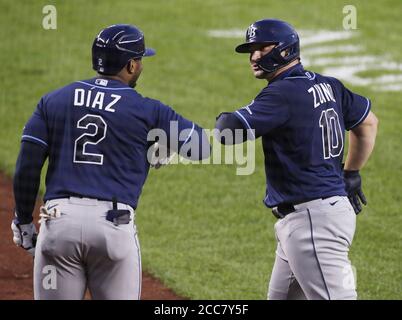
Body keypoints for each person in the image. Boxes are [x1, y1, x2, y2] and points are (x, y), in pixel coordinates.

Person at [11, 24, 210, 300]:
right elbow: (202, 147)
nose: (141, 65)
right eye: (139, 60)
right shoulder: (148, 110)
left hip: (59, 225)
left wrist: (23, 221)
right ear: (130, 65)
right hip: (112, 229)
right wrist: (163, 142)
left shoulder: (54, 100)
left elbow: (27, 165)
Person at [215, 19, 378, 300]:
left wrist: (222, 119)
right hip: (317, 215)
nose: (254, 57)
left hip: (312, 221)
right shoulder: (330, 86)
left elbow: (228, 131)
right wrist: (351, 173)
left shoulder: (281, 93)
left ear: (285, 50)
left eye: (261, 49)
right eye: (251, 51)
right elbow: (368, 124)